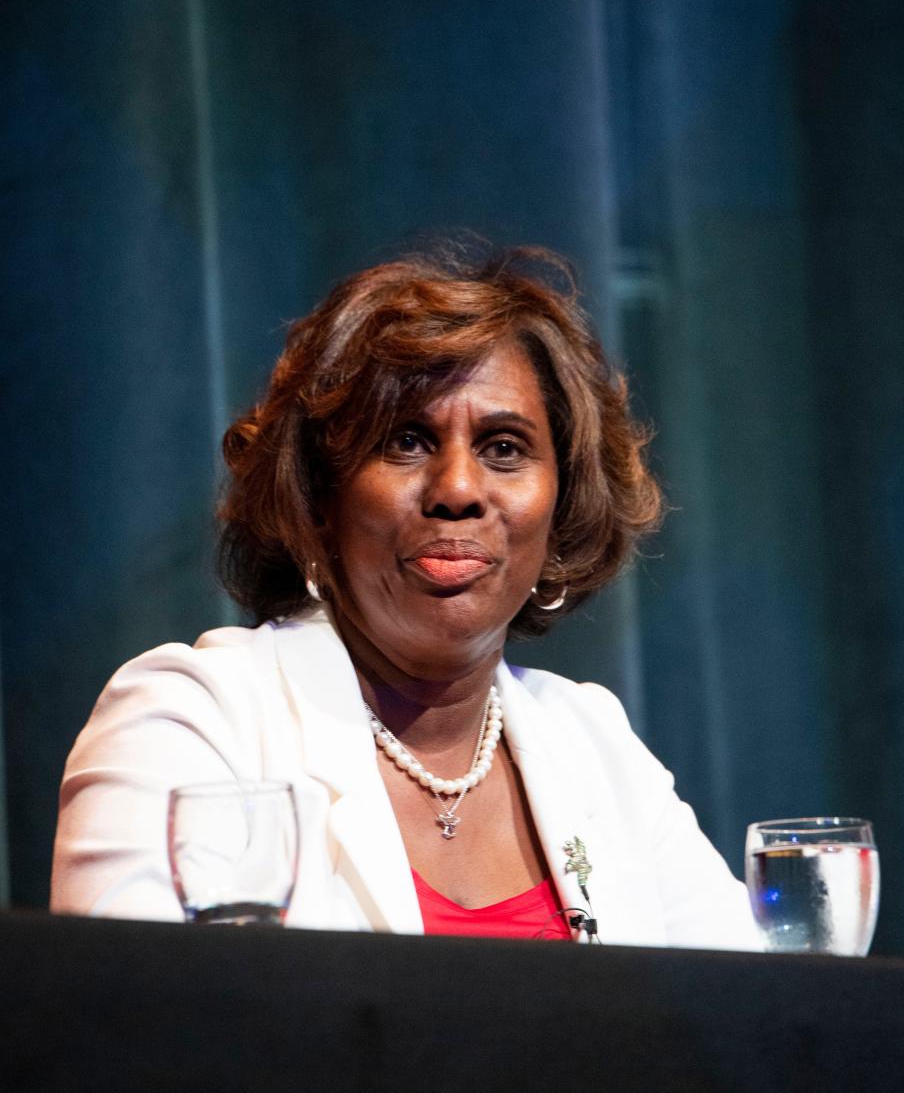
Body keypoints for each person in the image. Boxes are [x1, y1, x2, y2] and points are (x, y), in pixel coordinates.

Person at [52, 244, 758, 948]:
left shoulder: (593, 745)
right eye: (407, 441)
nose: (456, 490)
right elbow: (130, 1034)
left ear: (563, 505)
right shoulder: (192, 721)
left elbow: (752, 1020)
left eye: (505, 447)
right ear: (320, 498)